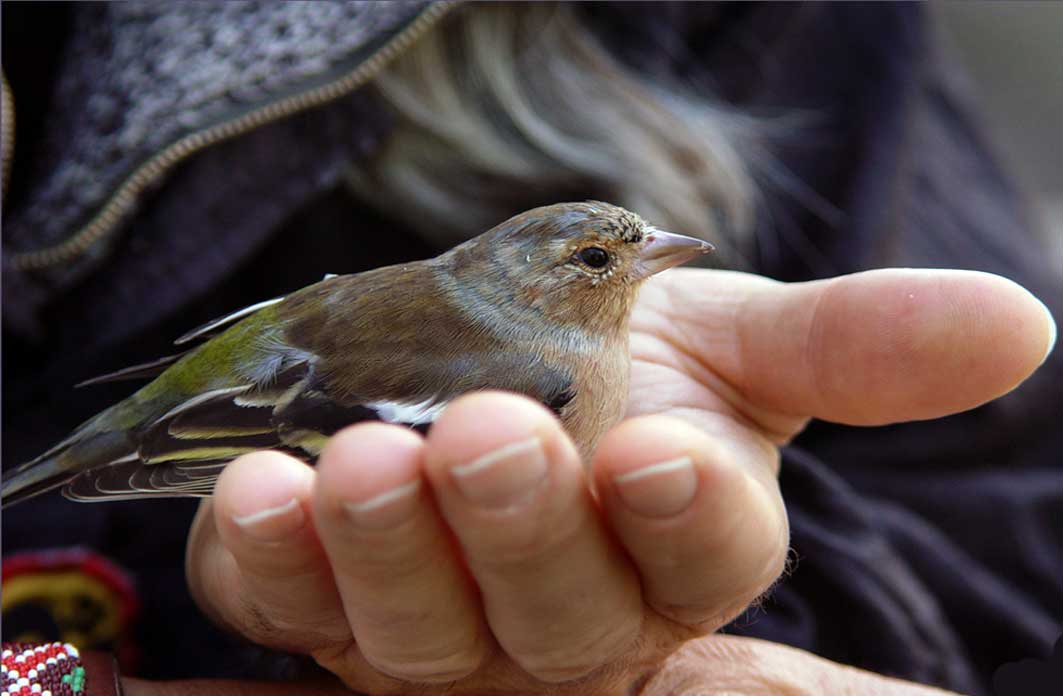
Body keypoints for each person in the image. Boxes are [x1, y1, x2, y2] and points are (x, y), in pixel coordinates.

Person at [3, 3, 1059, 695]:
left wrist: (782, 611)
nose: (651, 260)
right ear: (538, 282)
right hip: (229, 428)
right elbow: (293, 423)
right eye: (606, 256)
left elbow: (991, 527)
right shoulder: (531, 372)